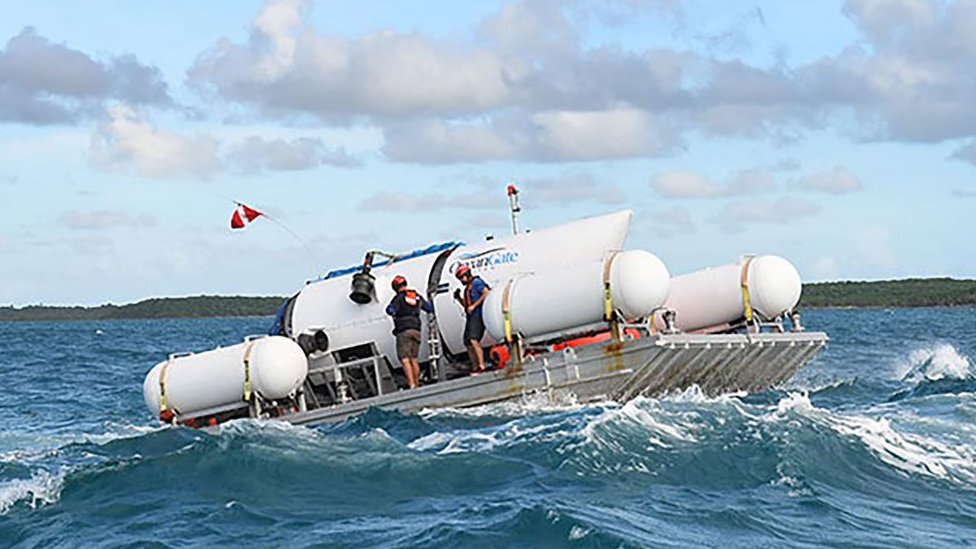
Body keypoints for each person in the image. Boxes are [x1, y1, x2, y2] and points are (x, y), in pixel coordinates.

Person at [385, 275, 433, 389]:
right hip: (416, 329)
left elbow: (390, 310)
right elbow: (429, 308)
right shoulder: (415, 296)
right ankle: (416, 382)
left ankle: (411, 384)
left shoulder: (398, 298)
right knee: (414, 358)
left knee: (404, 358)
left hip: (403, 330)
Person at [453, 265, 490, 373]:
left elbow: (486, 292)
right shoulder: (468, 288)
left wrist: (474, 306)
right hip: (471, 316)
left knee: (474, 340)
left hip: (477, 315)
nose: (461, 281)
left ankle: (481, 365)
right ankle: (475, 366)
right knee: (468, 342)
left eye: (461, 278)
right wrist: (459, 298)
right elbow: (467, 305)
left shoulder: (476, 283)